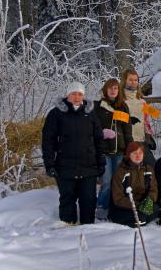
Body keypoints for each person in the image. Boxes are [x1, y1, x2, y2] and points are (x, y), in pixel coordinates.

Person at [42, 82, 105, 225]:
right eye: (74, 93)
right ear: (67, 95)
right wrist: (49, 164)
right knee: (67, 199)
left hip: (88, 166)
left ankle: (88, 229)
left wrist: (101, 161)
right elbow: (48, 141)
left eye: (80, 94)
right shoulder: (56, 114)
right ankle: (67, 229)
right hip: (65, 166)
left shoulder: (90, 114)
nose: (77, 97)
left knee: (88, 200)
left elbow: (99, 140)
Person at [94, 78, 133, 220]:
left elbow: (128, 129)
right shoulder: (98, 106)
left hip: (120, 151)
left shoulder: (123, 106)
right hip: (104, 150)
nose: (113, 91)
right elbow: (93, 127)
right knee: (106, 182)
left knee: (118, 182)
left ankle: (116, 208)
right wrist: (102, 133)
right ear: (105, 90)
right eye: (110, 88)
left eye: (116, 88)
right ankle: (102, 208)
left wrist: (131, 148)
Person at [110, 142, 158, 227]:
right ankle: (140, 220)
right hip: (125, 207)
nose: (138, 156)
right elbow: (118, 198)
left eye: (140, 153)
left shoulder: (149, 169)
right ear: (129, 154)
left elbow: (153, 190)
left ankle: (140, 219)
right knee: (135, 216)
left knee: (156, 209)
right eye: (135, 153)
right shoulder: (120, 172)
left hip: (143, 205)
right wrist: (137, 205)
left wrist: (147, 202)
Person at [120, 68, 156, 167]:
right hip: (128, 141)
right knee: (132, 171)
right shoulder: (120, 99)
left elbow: (145, 121)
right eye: (130, 80)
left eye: (136, 80)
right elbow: (115, 120)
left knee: (152, 167)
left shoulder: (142, 101)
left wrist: (148, 135)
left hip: (141, 140)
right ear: (124, 81)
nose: (133, 82)